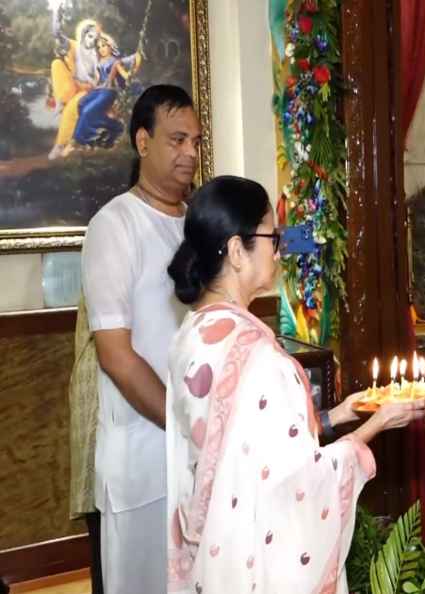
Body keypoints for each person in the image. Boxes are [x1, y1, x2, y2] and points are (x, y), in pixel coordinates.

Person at [165, 176, 425, 594]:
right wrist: (373, 428)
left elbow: (245, 447)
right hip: (252, 559)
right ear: (237, 251)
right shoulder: (255, 355)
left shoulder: (193, 334)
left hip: (215, 551)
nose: (280, 248)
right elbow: (297, 486)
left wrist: (337, 415)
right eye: (273, 236)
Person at [80, 84, 201, 594]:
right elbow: (116, 356)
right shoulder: (114, 225)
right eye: (177, 140)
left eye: (196, 141)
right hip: (144, 454)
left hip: (198, 449)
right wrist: (185, 421)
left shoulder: (200, 224)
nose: (191, 153)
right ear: (143, 141)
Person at [48, 6, 101, 159]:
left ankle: (60, 145)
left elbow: (97, 79)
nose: (92, 41)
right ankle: (61, 101)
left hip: (86, 90)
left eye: (95, 38)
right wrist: (56, 14)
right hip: (71, 87)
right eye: (90, 36)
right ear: (83, 35)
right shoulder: (74, 45)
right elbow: (57, 34)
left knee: (72, 108)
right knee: (56, 64)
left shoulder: (96, 55)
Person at [73, 33, 142, 148]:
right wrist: (90, 84)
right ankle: (108, 128)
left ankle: (84, 137)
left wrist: (130, 76)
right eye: (99, 47)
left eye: (104, 46)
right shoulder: (100, 62)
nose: (101, 49)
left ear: (110, 46)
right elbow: (99, 79)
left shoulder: (116, 62)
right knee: (81, 104)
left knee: (87, 112)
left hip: (109, 92)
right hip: (99, 90)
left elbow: (125, 76)